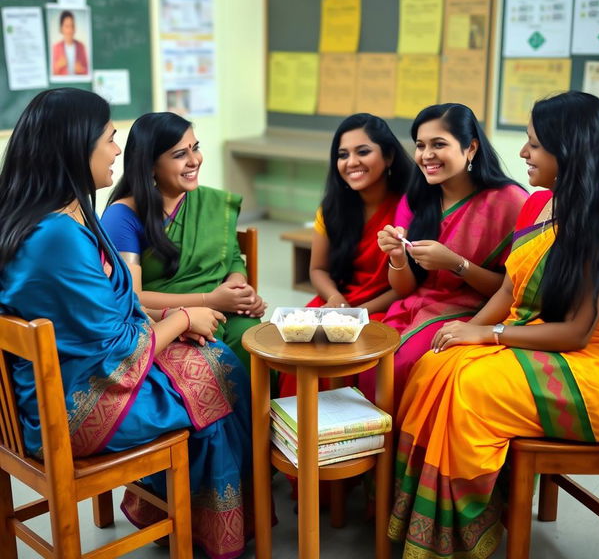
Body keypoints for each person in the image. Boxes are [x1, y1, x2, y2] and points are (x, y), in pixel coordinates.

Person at [0, 88, 252, 559]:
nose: (118, 149)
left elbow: (105, 311)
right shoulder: (57, 236)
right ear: (77, 146)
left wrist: (168, 318)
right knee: (218, 372)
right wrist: (181, 318)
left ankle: (177, 515)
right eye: (110, 138)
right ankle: (211, 532)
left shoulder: (56, 217)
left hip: (63, 381)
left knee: (209, 358)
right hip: (75, 406)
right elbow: (117, 349)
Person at [388, 91, 599, 559]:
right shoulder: (540, 205)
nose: (523, 153)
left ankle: (461, 537)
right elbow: (509, 291)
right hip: (533, 339)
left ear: (572, 149)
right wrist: (465, 334)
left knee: (467, 386)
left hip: (585, 370)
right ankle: (426, 525)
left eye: (535, 144)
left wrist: (487, 334)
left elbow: (576, 333)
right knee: (434, 365)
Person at [361, 103, 527, 404]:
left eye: (439, 144)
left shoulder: (510, 202)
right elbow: (405, 288)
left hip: (476, 311)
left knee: (400, 364)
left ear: (471, 148)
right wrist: (397, 258)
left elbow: (512, 290)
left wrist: (456, 264)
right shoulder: (417, 199)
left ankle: (395, 449)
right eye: (420, 145)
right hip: (414, 306)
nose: (426, 155)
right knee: (363, 355)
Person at [102, 112, 265, 370]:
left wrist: (238, 290)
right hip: (165, 322)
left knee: (259, 343)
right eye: (180, 155)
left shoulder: (210, 204)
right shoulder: (123, 217)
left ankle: (268, 412)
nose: (194, 160)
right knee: (214, 361)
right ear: (150, 165)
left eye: (195, 148)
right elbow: (131, 298)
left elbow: (232, 258)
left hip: (224, 313)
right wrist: (210, 300)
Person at [279, 113, 413, 397]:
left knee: (353, 350)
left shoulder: (409, 206)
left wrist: (359, 313)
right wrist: (335, 298)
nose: (351, 162)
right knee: (299, 343)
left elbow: (409, 286)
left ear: (388, 156)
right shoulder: (332, 208)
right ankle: (297, 433)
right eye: (342, 154)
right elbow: (318, 270)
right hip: (340, 301)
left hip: (388, 306)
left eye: (363, 152)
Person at [51, 10, 89, 76]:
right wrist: (58, 65)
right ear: (61, 28)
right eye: (67, 26)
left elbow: (88, 71)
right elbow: (51, 73)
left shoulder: (81, 47)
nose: (70, 30)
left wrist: (81, 70)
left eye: (72, 26)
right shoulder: (56, 48)